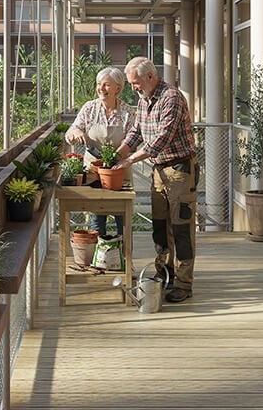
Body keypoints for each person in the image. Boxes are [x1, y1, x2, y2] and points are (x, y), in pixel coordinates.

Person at [116, 56, 197, 304]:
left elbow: (160, 139)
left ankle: (183, 284)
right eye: (131, 84)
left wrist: (129, 161)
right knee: (160, 228)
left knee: (181, 228)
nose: (133, 88)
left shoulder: (171, 98)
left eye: (135, 83)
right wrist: (117, 154)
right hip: (159, 172)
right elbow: (136, 132)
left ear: (150, 77)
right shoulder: (144, 100)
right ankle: (164, 275)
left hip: (180, 170)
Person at [65, 66, 135, 239]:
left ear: (118, 88)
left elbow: (133, 141)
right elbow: (71, 132)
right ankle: (98, 260)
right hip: (93, 171)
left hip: (119, 170)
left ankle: (123, 260)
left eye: (106, 85)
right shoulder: (89, 108)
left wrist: (115, 158)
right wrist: (76, 133)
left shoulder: (127, 112)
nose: (100, 89)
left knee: (123, 219)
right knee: (97, 217)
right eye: (98, 84)